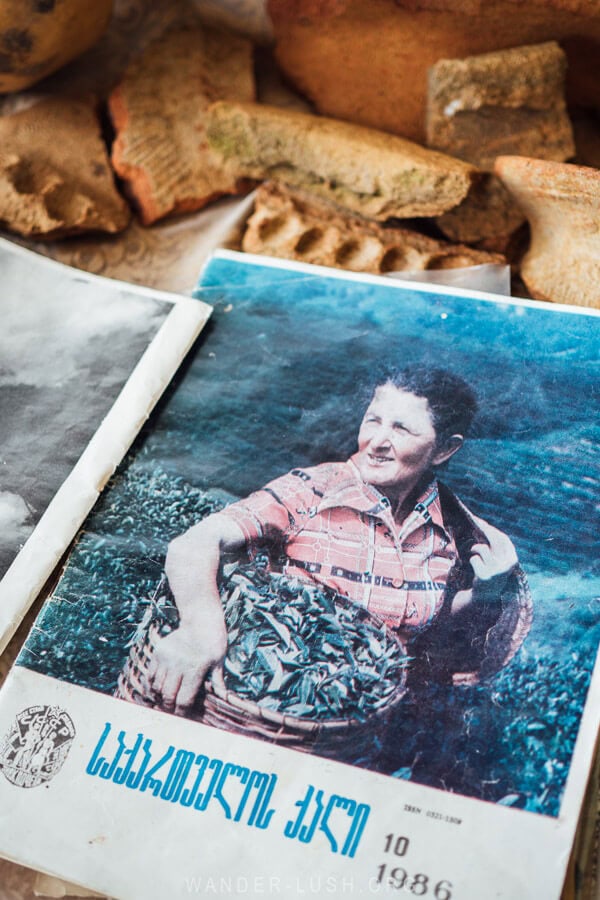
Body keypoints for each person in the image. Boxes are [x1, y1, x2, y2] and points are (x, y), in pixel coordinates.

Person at [148, 367, 531, 716]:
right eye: (373, 421)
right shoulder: (315, 489)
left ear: (445, 449)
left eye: (401, 430)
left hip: (358, 727)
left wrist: (486, 591)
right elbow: (194, 543)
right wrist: (201, 632)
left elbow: (423, 625)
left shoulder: (446, 529)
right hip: (262, 706)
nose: (376, 442)